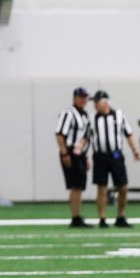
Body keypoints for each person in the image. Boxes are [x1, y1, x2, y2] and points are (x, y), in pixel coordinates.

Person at [89, 90, 140, 228]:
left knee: (123, 187)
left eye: (96, 102)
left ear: (105, 102)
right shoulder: (93, 118)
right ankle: (102, 218)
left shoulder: (119, 115)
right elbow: (87, 137)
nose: (94, 105)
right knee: (102, 187)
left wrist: (135, 150)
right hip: (100, 155)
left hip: (116, 155)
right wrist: (81, 151)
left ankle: (121, 216)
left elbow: (128, 133)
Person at [55, 87, 93, 228]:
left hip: (80, 153)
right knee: (75, 185)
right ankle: (75, 217)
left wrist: (86, 155)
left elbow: (85, 137)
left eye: (85, 97)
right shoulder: (68, 113)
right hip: (70, 152)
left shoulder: (84, 115)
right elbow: (59, 134)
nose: (83, 100)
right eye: (81, 97)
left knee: (79, 186)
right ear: (75, 98)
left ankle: (77, 216)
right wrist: (64, 152)